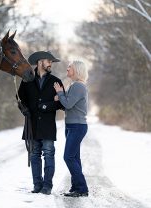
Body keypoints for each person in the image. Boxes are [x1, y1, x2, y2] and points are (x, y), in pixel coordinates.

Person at [18, 51, 64, 195]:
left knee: (49, 154)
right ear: (40, 62)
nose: (50, 64)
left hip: (47, 126)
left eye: (51, 62)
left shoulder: (56, 81)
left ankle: (47, 186)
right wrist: (23, 109)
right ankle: (37, 185)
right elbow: (20, 98)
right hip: (31, 125)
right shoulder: (27, 80)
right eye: (48, 61)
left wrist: (46, 106)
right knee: (34, 155)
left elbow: (61, 103)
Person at [53, 60, 89, 197]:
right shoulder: (74, 86)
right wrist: (60, 97)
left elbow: (67, 104)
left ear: (77, 70)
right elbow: (69, 105)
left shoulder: (78, 86)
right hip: (72, 125)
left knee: (68, 157)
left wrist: (61, 93)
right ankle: (75, 187)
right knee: (75, 157)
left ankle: (82, 188)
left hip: (77, 126)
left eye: (70, 67)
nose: (67, 69)